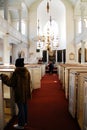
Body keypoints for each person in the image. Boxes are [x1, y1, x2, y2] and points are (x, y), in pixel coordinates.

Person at [0, 58, 31, 129]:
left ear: (16, 64)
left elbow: (11, 83)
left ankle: (21, 125)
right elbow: (29, 82)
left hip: (19, 93)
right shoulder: (27, 71)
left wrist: (4, 76)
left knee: (21, 109)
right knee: (24, 107)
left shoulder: (16, 72)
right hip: (25, 92)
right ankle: (25, 122)